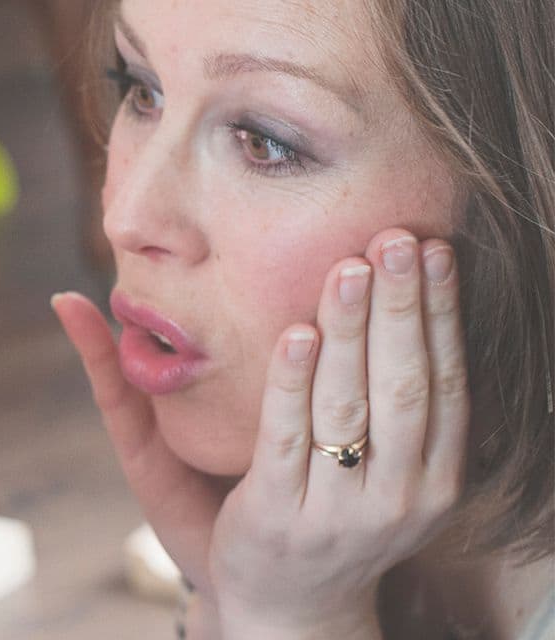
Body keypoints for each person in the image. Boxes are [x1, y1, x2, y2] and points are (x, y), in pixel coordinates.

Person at [52, 0, 554, 637]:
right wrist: (226, 597)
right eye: (141, 90)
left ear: (518, 211)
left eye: (265, 142)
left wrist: (292, 619)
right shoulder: (280, 532)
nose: (125, 216)